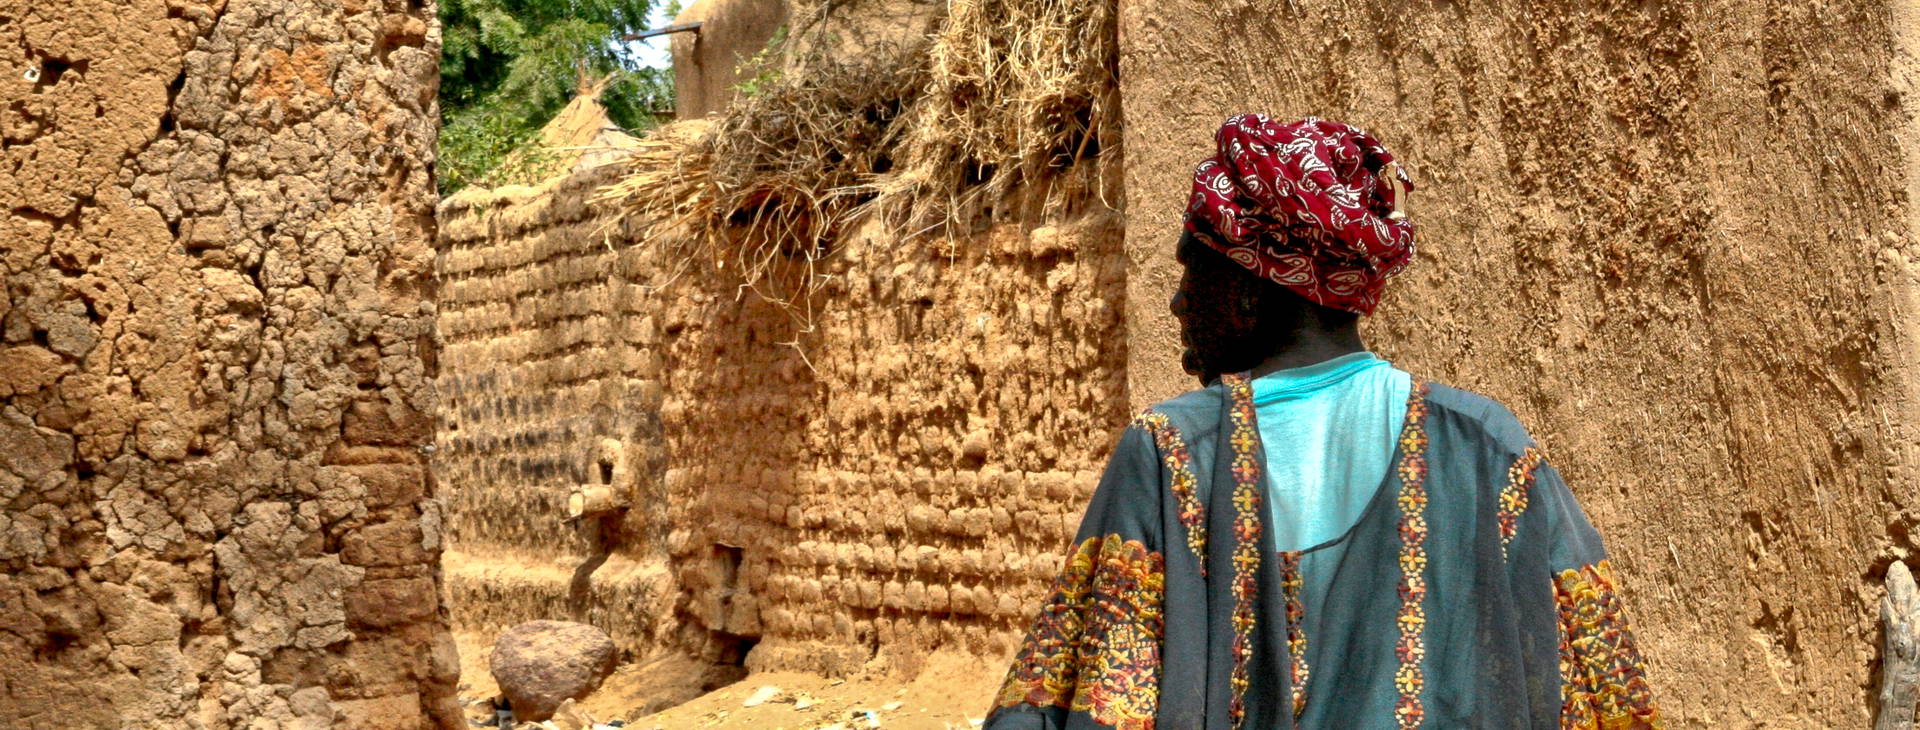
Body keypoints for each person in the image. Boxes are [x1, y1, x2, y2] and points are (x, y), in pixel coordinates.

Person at [983, 115, 1661, 729]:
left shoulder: (1172, 451)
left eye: (1195, 274)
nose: (1178, 302)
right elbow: (1602, 687)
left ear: (1248, 291)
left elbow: (1098, 693)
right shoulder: (1487, 447)